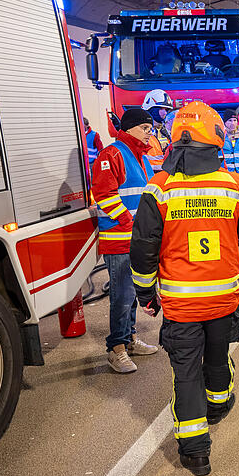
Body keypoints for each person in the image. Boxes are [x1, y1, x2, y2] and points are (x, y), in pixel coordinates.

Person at [130, 102, 239, 476]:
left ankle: (195, 452)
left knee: (186, 373)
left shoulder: (159, 188)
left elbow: (143, 248)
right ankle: (218, 404)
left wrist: (144, 294)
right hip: (224, 299)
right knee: (218, 357)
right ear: (217, 138)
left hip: (181, 305)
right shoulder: (236, 185)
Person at [91, 108, 158, 373]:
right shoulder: (113, 154)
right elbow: (104, 195)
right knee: (122, 295)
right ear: (129, 129)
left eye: (150, 129)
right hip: (120, 240)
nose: (149, 133)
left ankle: (129, 340)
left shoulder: (142, 157)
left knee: (131, 295)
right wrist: (133, 224)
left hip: (135, 240)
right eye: (145, 128)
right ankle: (115, 348)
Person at [141, 89, 175, 172]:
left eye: (167, 110)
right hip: (149, 177)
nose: (165, 113)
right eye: (162, 109)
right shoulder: (140, 131)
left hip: (164, 175)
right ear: (153, 109)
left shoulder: (163, 130)